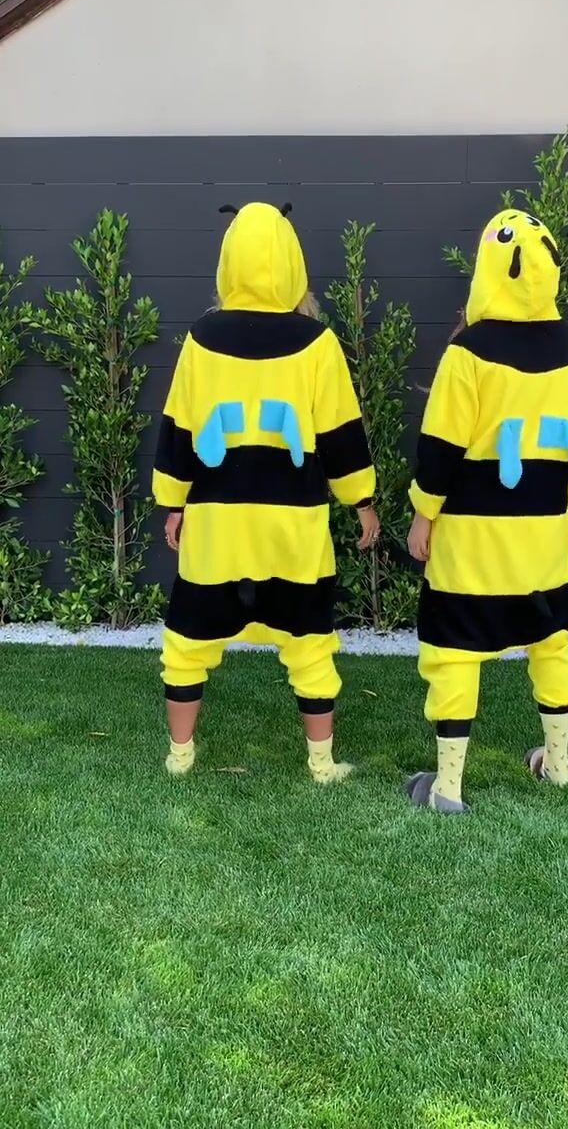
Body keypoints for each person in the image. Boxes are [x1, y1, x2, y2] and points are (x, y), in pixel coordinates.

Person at [153, 202, 379, 783]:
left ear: (230, 259)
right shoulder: (318, 342)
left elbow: (178, 428)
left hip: (217, 523)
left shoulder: (201, 339)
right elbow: (341, 432)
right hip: (293, 524)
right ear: (291, 261)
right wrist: (362, 500)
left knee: (188, 641)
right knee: (310, 642)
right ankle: (322, 764)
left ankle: (180, 757)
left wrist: (172, 502)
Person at [406, 209, 568, 813]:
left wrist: (423, 513)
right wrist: (567, 510)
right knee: (552, 644)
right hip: (546, 529)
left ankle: (447, 786)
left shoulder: (467, 350)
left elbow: (441, 444)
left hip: (472, 534)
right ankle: (558, 765)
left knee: (454, 650)